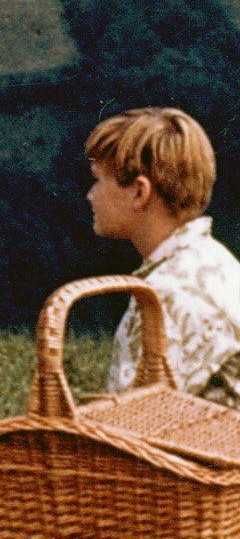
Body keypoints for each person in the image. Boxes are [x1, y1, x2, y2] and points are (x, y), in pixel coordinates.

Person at [86, 106, 240, 404]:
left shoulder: (163, 296)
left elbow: (127, 431)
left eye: (99, 179)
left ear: (139, 193)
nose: (90, 195)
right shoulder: (218, 264)